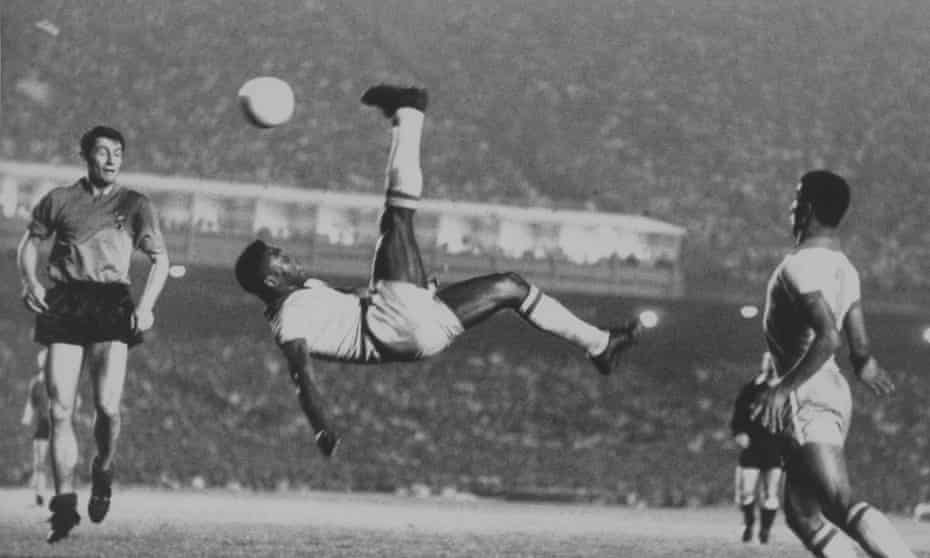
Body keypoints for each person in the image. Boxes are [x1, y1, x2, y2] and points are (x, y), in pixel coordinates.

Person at [234, 84, 643, 457]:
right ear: (271, 280)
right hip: (392, 326)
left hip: (416, 331)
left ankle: (600, 344)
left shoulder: (306, 296)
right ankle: (408, 114)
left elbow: (350, 311)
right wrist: (322, 427)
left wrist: (418, 290)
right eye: (280, 258)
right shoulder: (289, 318)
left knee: (512, 287)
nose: (289, 257)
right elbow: (301, 376)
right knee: (396, 219)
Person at [16, 125, 170, 543]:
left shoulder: (135, 204)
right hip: (66, 299)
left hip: (110, 301)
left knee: (106, 406)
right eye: (102, 151)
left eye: (117, 152)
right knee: (60, 409)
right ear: (85, 155)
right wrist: (31, 282)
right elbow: (29, 244)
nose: (111, 158)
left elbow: (160, 258)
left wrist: (145, 306)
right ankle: (64, 503)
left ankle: (103, 466)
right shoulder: (59, 200)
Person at [751, 170, 916, 557]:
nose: (791, 208)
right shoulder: (845, 268)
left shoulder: (797, 267)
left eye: (796, 200)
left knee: (839, 501)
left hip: (806, 392)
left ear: (806, 209)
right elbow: (858, 347)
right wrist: (866, 366)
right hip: (833, 390)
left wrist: (782, 389)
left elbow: (828, 337)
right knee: (800, 512)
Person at [730, 351, 788, 544]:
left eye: (774, 361)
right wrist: (739, 433)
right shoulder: (751, 388)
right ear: (763, 364)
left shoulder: (786, 389)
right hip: (753, 445)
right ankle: (748, 524)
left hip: (775, 446)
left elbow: (791, 419)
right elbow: (738, 414)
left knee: (770, 492)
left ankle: (765, 531)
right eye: (767, 361)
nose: (771, 365)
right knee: (746, 492)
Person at [21, 347, 52, 507]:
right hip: (43, 426)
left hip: (57, 427)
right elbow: (30, 405)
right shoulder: (37, 383)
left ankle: (60, 494)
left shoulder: (60, 381)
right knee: (39, 462)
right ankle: (40, 493)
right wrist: (26, 422)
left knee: (55, 462)